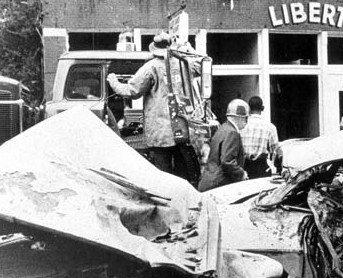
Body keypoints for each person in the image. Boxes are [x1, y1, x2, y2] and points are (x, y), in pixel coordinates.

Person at [106, 32, 198, 184]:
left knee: (164, 176)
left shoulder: (150, 67)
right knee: (183, 176)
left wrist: (113, 81)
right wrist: (188, 48)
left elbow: (131, 91)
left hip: (160, 134)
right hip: (182, 129)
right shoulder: (183, 64)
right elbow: (201, 65)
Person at [198, 98, 249, 192]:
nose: (246, 122)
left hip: (210, 182)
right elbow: (227, 162)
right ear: (240, 117)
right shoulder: (232, 133)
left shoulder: (223, 128)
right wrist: (242, 174)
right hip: (218, 185)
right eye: (246, 118)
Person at [241, 96, 279, 179]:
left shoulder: (242, 126)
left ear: (249, 109)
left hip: (244, 168)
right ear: (262, 108)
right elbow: (275, 152)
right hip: (261, 168)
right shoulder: (270, 127)